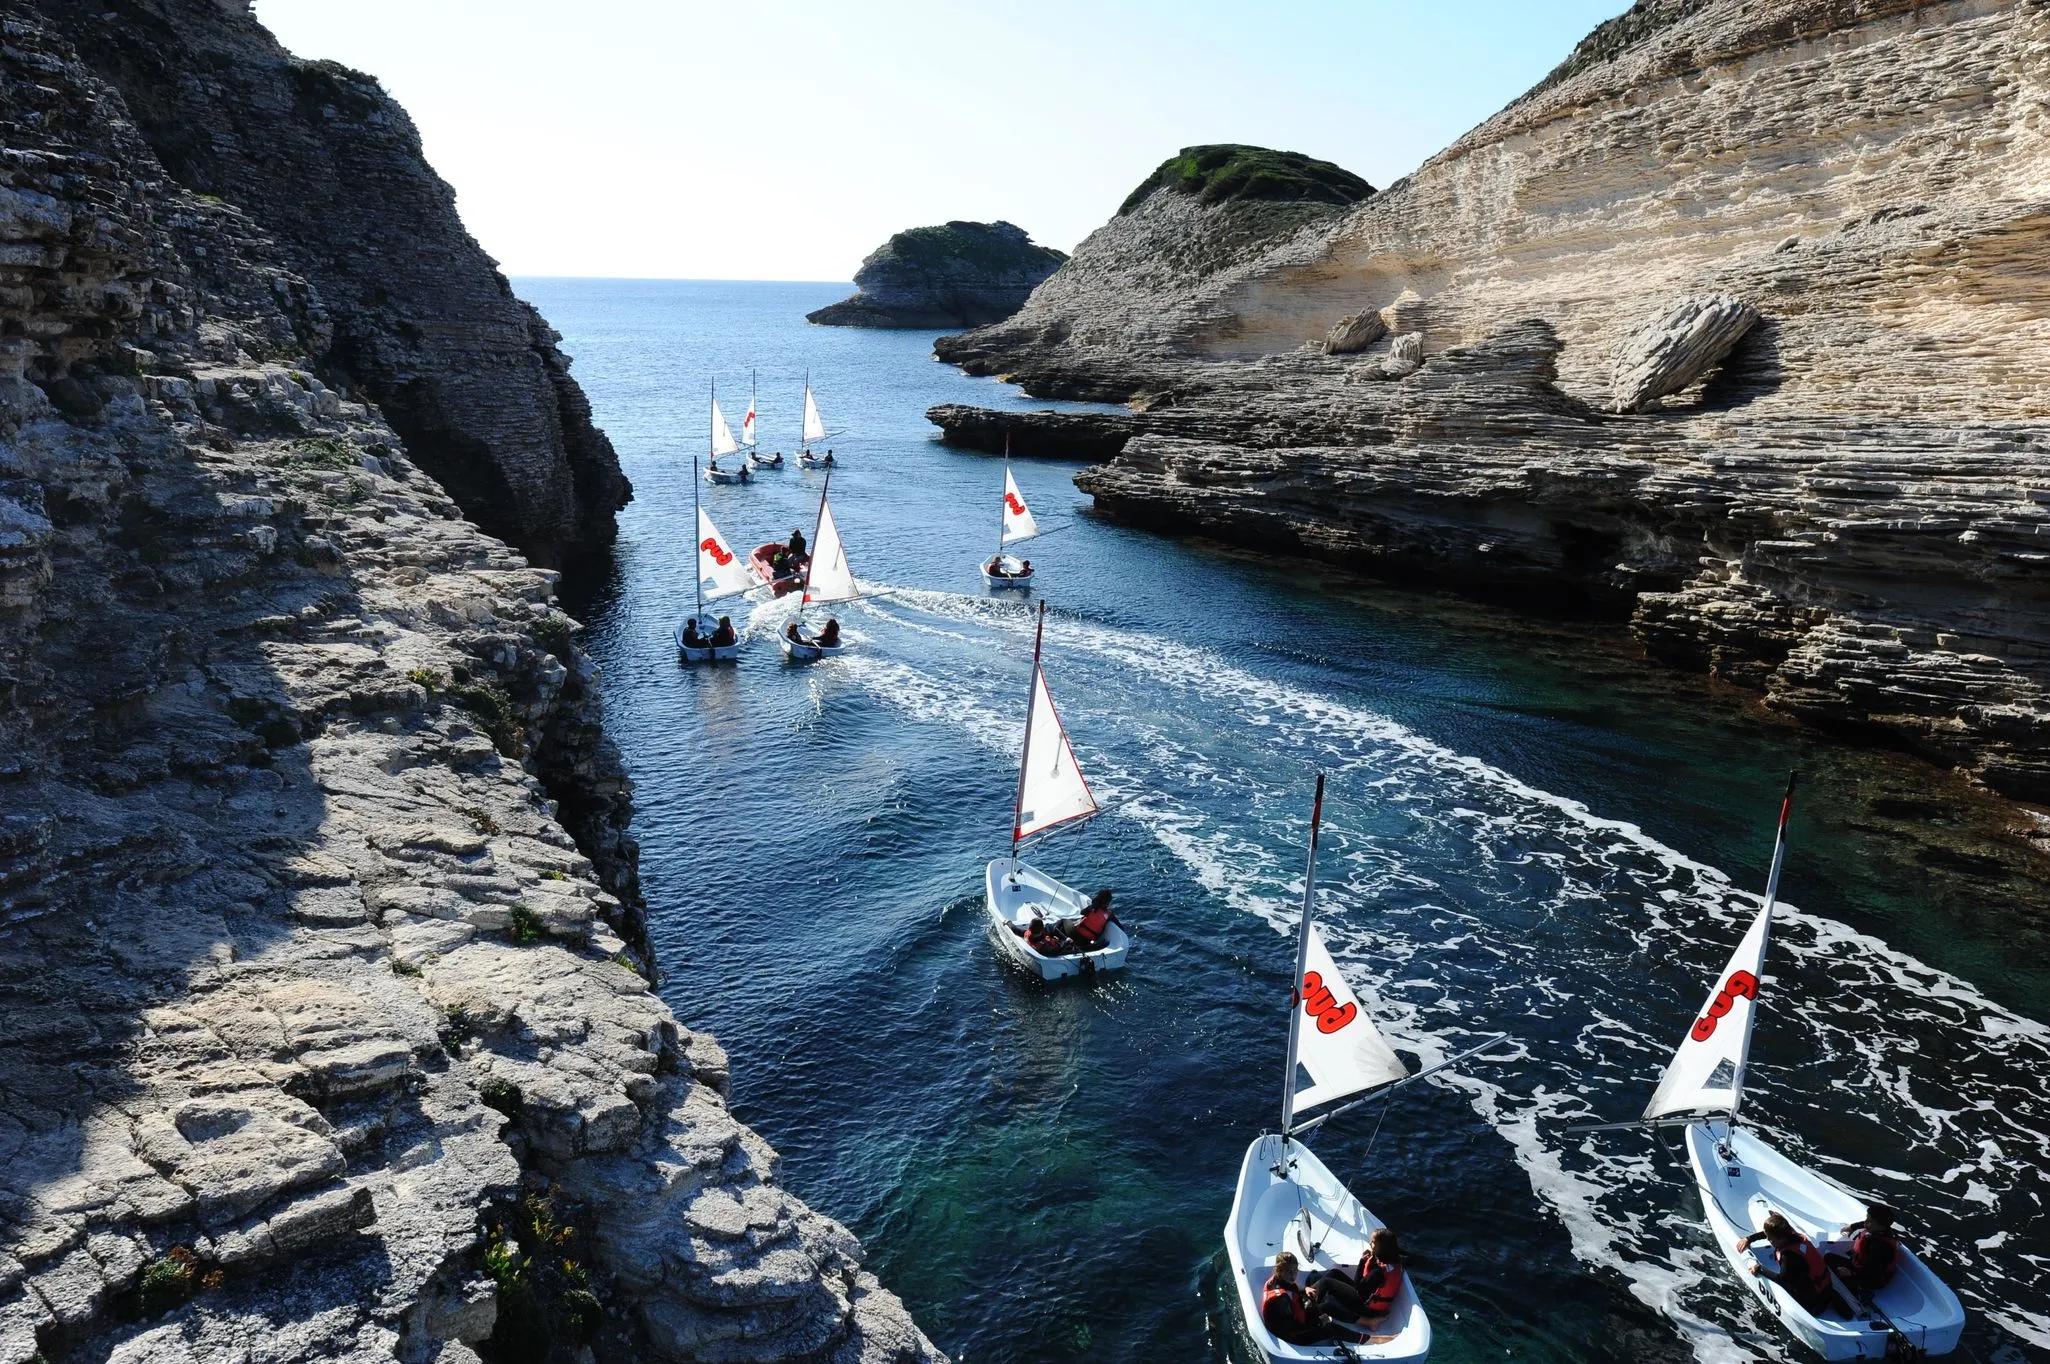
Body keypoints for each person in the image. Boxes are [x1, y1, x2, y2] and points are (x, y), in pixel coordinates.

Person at [1737, 1212, 1834, 1314]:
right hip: (1826, 1285)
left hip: (1814, 1297)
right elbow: (1768, 1233)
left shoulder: (1789, 1256)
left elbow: (1782, 1280)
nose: (1768, 1240)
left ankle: (1822, 1303)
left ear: (1781, 1238)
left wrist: (1760, 1269)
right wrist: (1749, 1239)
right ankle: (1831, 1295)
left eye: (1770, 1238)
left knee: (1801, 1297)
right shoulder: (1792, 1235)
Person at [1309, 1228, 1404, 1327]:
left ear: (1382, 1247)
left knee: (1326, 1282)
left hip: (1367, 1309)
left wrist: (1362, 1262)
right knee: (1334, 1273)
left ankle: (1312, 1307)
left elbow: (1358, 1287)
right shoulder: (1394, 1260)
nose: (1370, 1243)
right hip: (1373, 1303)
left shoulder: (1378, 1272)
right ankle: (1312, 1292)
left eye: (1373, 1242)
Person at [1260, 1253, 1341, 1346]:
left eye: (1295, 1270)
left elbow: (1292, 1288)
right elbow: (1293, 1330)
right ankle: (1361, 1339)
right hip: (1295, 1337)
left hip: (1297, 1320)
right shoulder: (1281, 1301)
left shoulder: (1278, 1279)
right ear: (1279, 1270)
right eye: (1288, 1271)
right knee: (1332, 1329)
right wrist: (1319, 1322)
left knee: (1327, 1282)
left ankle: (1359, 1319)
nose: (1292, 1275)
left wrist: (1305, 1289)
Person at [1831, 1202, 1901, 1294]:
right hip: (1861, 1267)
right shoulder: (1880, 1229)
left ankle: (1858, 1293)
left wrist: (1851, 1273)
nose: (1865, 1223)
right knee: (1829, 1258)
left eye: (1870, 1221)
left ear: (1881, 1226)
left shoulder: (1879, 1248)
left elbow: (1873, 1274)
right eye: (1867, 1218)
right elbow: (1864, 1224)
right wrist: (1852, 1227)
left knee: (1835, 1272)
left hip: (1871, 1280)